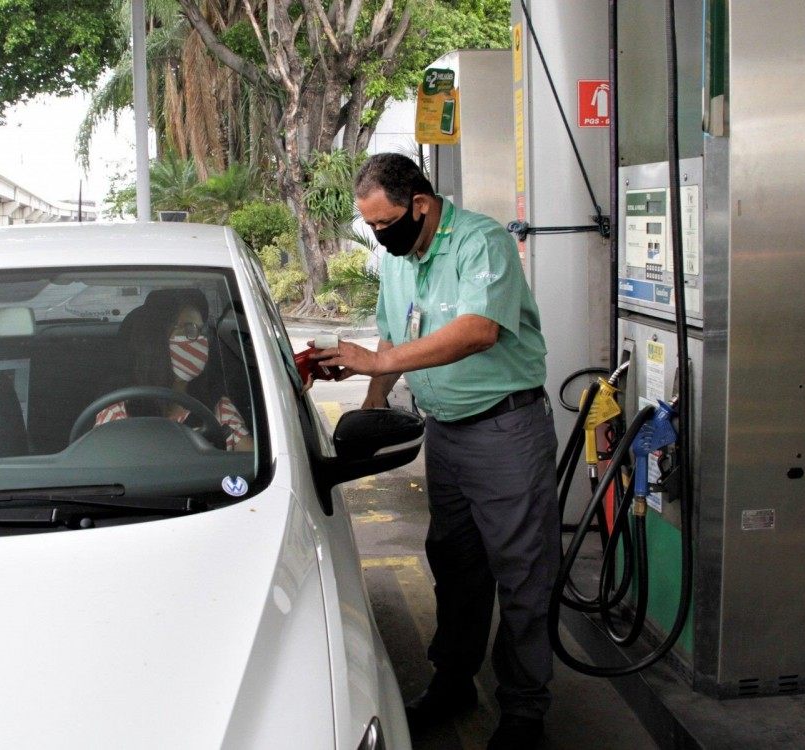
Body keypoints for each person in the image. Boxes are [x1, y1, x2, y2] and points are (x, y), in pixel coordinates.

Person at [312, 153, 559, 749]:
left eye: (384, 223)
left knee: (522, 572)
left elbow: (480, 330)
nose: (377, 235)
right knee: (455, 564)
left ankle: (525, 709)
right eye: (368, 225)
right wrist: (373, 401)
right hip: (446, 435)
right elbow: (394, 334)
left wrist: (383, 362)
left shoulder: (482, 243)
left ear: (420, 205)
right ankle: (454, 681)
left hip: (504, 431)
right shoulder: (399, 259)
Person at [95, 289, 253, 452]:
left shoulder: (217, 409)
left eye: (201, 330)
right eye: (189, 329)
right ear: (157, 340)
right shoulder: (118, 413)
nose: (200, 340)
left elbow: (251, 462)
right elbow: (98, 470)